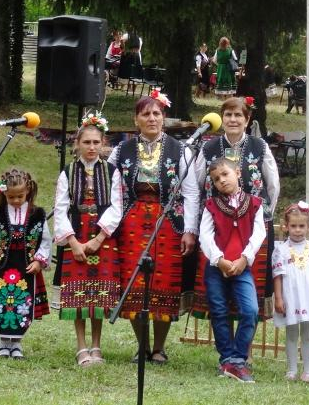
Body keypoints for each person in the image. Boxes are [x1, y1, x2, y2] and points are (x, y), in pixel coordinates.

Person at [96, 92, 198, 365]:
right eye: (146, 114)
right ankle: (142, 346)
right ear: (136, 119)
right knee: (135, 283)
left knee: (163, 282)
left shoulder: (181, 150)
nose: (152, 118)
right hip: (131, 222)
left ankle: (159, 348)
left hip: (169, 223)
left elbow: (191, 193)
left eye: (156, 114)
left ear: (163, 118)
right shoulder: (121, 150)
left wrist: (189, 229)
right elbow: (110, 187)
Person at [189, 96, 280, 322]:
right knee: (221, 288)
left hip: (253, 224)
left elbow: (273, 185)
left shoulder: (259, 146)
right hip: (217, 225)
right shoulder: (209, 147)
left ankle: (245, 352)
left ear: (247, 120)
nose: (232, 119)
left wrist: (263, 212)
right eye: (228, 115)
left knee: (250, 290)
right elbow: (197, 183)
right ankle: (227, 350)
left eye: (238, 115)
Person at [52, 112, 120, 367]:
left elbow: (117, 206)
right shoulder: (67, 172)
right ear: (77, 144)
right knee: (77, 294)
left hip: (102, 237)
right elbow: (60, 208)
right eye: (86, 142)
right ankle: (81, 346)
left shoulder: (112, 171)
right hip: (76, 234)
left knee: (99, 293)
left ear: (103, 144)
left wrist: (99, 238)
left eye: (96, 143)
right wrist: (73, 242)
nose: (91, 148)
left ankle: (97, 345)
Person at [199, 157, 267, 382]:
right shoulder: (211, 206)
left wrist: (244, 259)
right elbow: (205, 236)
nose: (221, 181)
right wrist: (219, 260)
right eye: (216, 179)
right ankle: (226, 359)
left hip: (242, 266)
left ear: (238, 172)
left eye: (225, 174)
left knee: (250, 310)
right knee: (219, 312)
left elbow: (259, 234)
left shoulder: (255, 204)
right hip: (216, 267)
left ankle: (238, 359)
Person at [0, 168, 52, 359]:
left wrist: (39, 261)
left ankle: (16, 343)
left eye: (20, 196)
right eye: (11, 197)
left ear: (28, 192)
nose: (16, 200)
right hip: (3, 268)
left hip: (26, 268)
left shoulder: (38, 215)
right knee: (1, 303)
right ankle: (2, 342)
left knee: (21, 304)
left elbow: (45, 241)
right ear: (4, 194)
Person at [272, 201, 309, 383]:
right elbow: (277, 275)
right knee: (292, 334)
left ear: (308, 226)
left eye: (301, 226)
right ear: (286, 227)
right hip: (290, 299)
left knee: (308, 335)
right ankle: (292, 369)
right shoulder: (281, 249)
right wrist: (278, 298)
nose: (297, 230)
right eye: (293, 226)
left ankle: (308, 371)